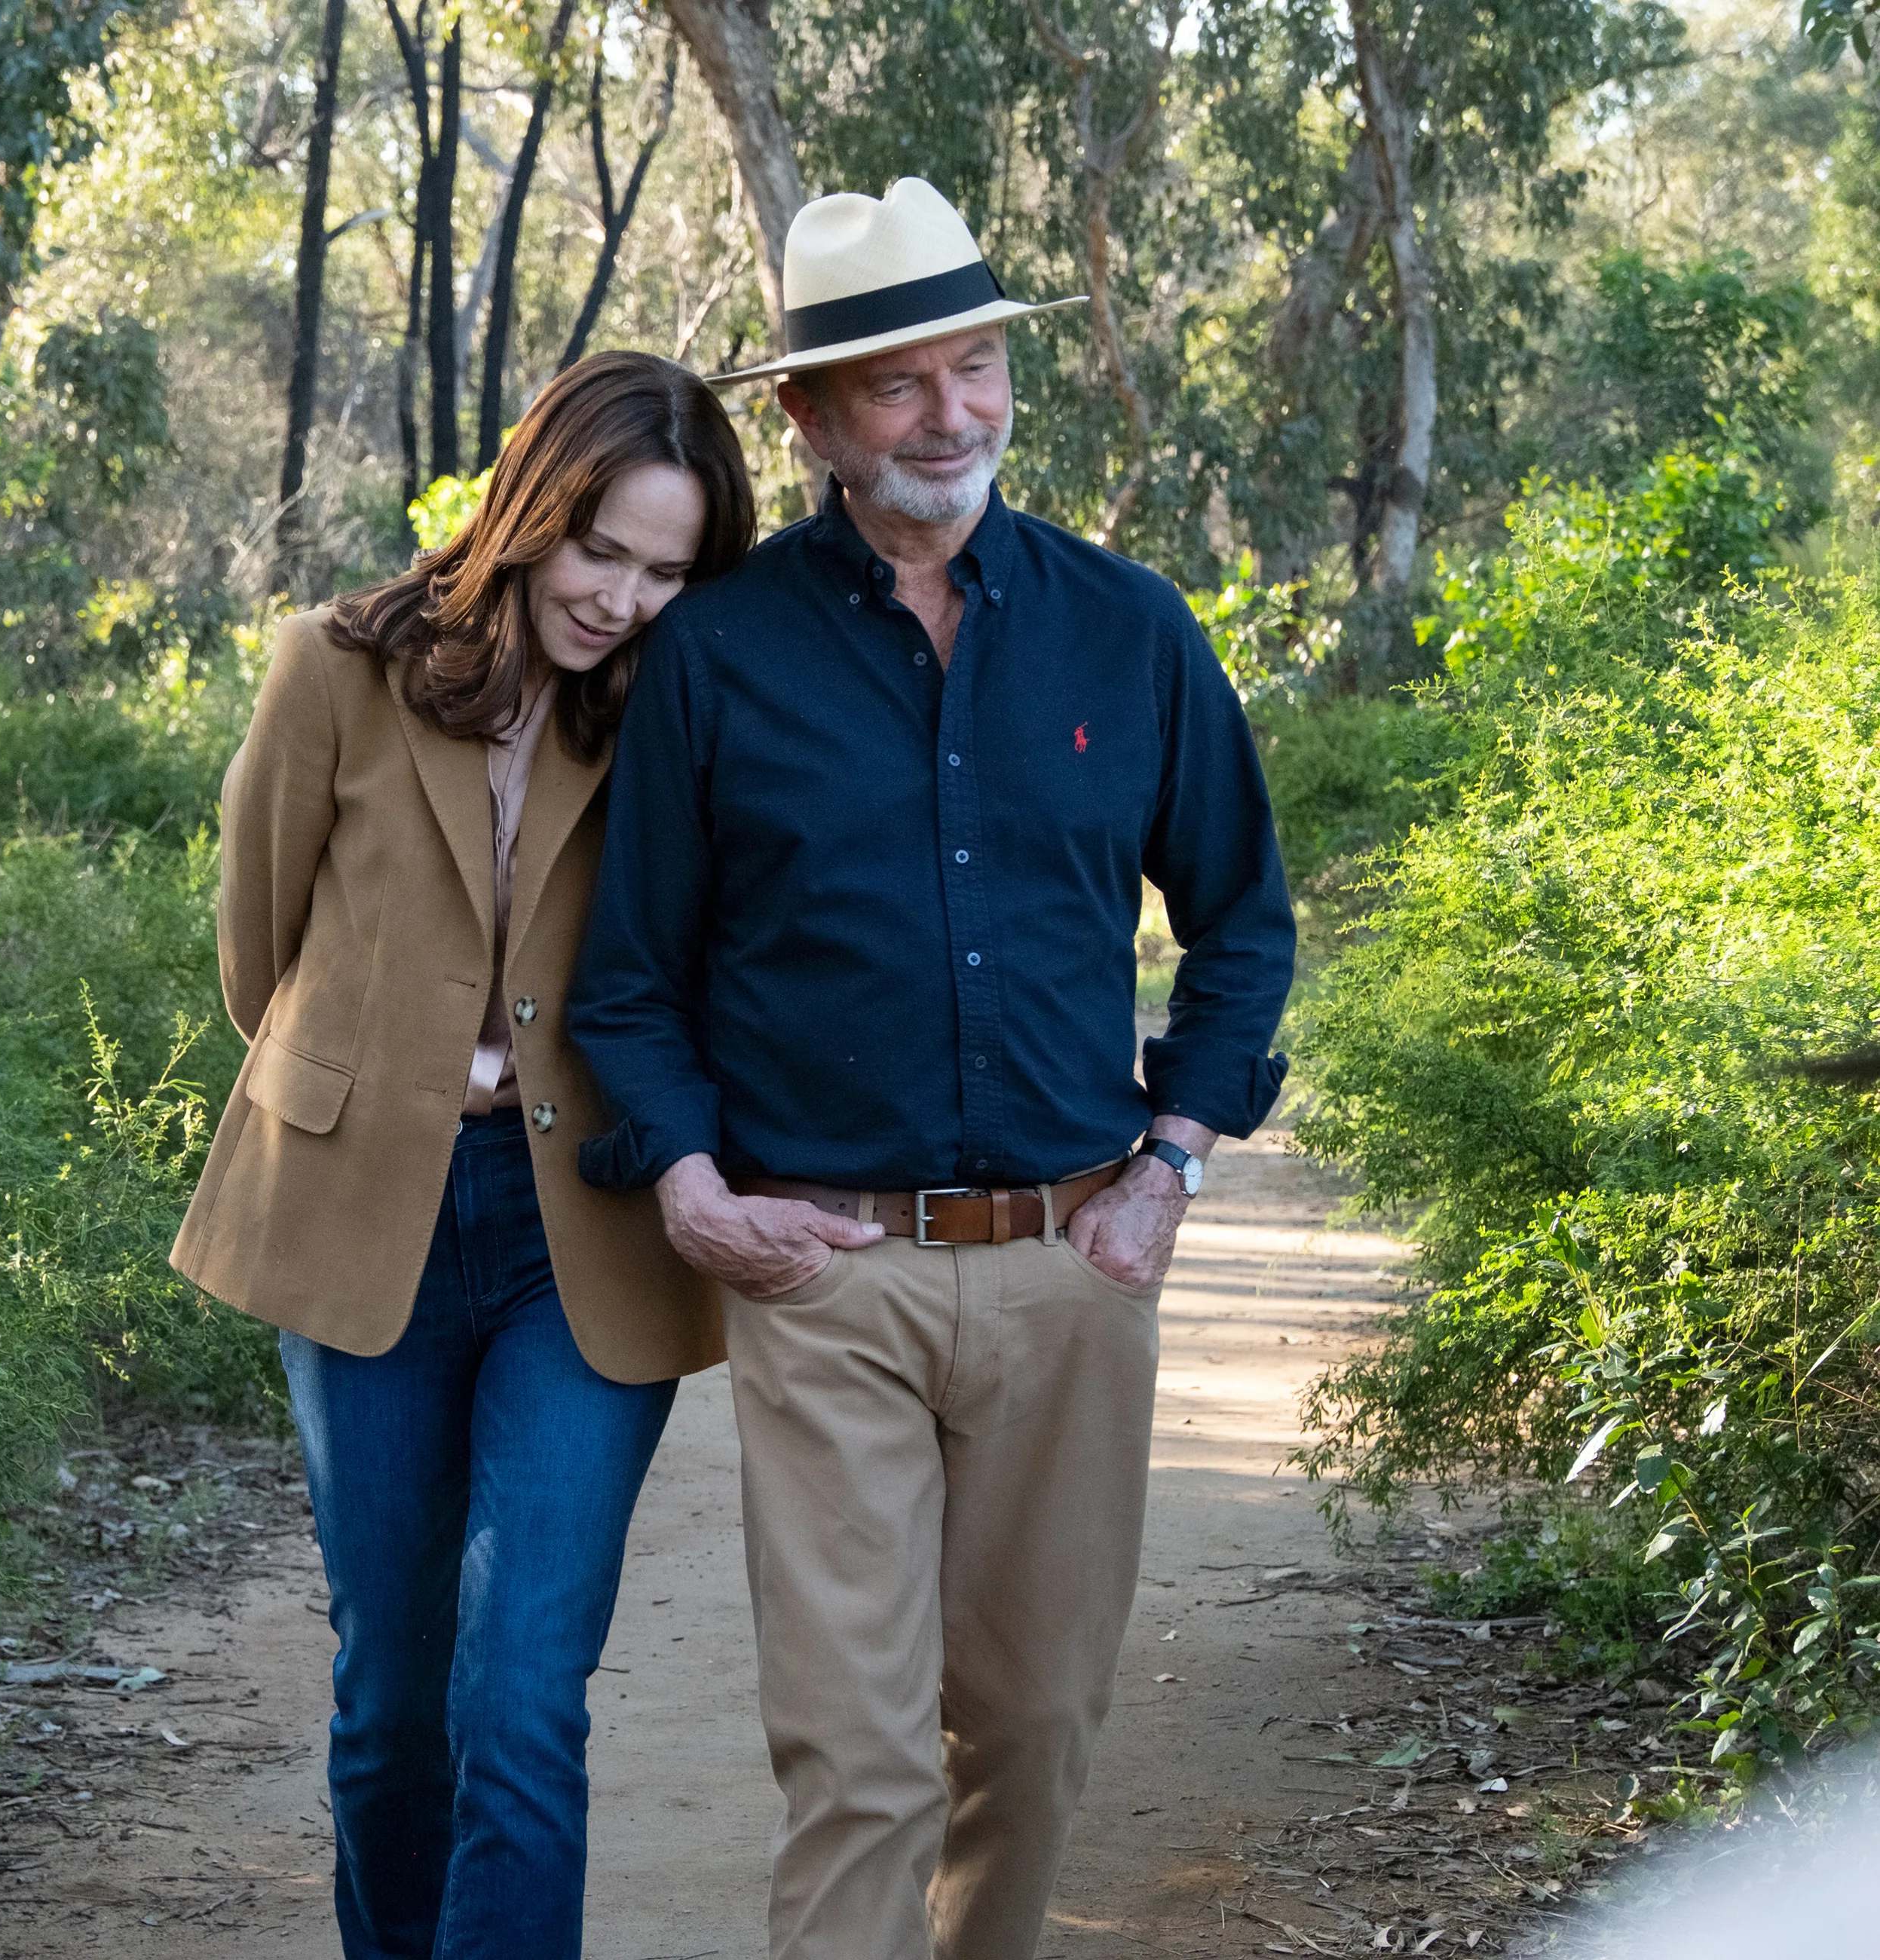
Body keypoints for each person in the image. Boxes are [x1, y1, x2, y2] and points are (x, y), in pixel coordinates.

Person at [566, 179, 1297, 1960]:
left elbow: (1243, 920)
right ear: (814, 422)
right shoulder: (718, 651)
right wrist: (690, 1185)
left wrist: (1173, 1163)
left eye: (975, 368)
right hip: (827, 1277)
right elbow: (630, 978)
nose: (949, 413)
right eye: (898, 384)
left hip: (1072, 1265)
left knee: (1033, 1735)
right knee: (861, 1759)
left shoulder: (1128, 628)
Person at [170, 349, 757, 1960]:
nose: (624, 600)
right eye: (600, 551)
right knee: (392, 1697)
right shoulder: (333, 668)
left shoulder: (676, 708)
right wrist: (385, 1088)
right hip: (367, 1211)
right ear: (528, 510)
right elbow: (258, 955)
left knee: (523, 1693)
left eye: (666, 572)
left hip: (589, 1227)